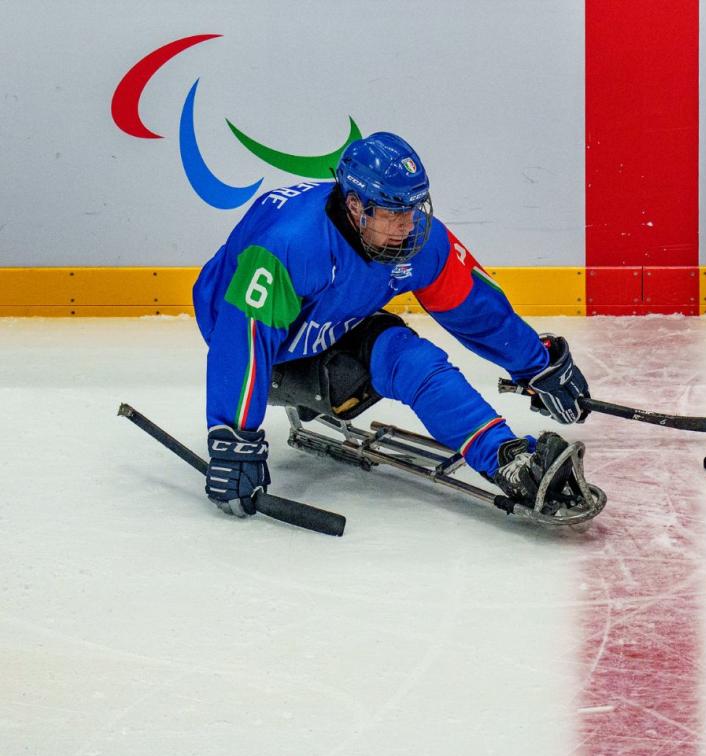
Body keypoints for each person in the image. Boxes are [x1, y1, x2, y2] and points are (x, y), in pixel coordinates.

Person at [192, 132, 590, 518]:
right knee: (342, 369)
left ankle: (508, 458)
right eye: (394, 212)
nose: (408, 224)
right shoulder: (289, 245)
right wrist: (233, 440)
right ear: (354, 205)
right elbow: (240, 337)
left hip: (330, 318)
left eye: (414, 208)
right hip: (255, 341)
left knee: (413, 359)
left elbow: (476, 307)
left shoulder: (419, 238)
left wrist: (537, 365)